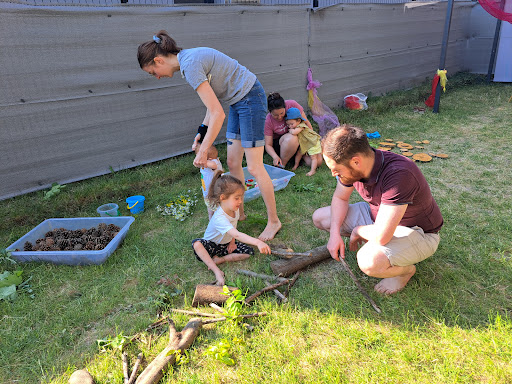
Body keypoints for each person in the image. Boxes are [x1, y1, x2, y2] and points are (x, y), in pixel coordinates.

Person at [138, 30, 281, 241]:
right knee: (233, 162)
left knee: (254, 166)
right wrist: (202, 132)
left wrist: (204, 149)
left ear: (158, 60)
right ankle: (238, 213)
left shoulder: (190, 65)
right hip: (237, 101)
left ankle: (274, 221)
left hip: (250, 98)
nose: (157, 77)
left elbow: (217, 113)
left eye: (153, 72)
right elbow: (212, 106)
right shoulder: (188, 62)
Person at [312, 125, 443, 295]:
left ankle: (406, 271)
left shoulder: (399, 173)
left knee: (369, 261)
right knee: (321, 217)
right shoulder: (356, 167)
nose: (333, 174)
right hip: (379, 218)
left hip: (419, 232)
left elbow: (382, 236)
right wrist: (334, 234)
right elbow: (340, 198)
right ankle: (382, 249)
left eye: (336, 169)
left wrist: (359, 230)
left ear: (356, 161)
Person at [192, 171, 271, 286]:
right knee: (197, 244)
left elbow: (234, 227)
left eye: (241, 197)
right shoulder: (220, 217)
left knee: (248, 252)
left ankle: (221, 260)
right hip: (211, 246)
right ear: (223, 198)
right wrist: (257, 242)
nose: (240, 201)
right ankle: (216, 270)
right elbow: (237, 234)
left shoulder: (234, 209)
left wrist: (232, 243)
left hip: (225, 245)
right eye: (237, 198)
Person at [264, 92, 314, 168]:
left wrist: (312, 140)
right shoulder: (268, 121)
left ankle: (297, 157)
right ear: (270, 112)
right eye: (275, 115)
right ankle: (282, 165)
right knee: (292, 138)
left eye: (282, 113)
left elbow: (306, 123)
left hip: (301, 139)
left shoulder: (292, 105)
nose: (280, 117)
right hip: (283, 143)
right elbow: (268, 145)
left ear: (285, 107)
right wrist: (275, 157)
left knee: (314, 162)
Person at [285, 107, 323, 176]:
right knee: (299, 154)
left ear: (299, 121)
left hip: (312, 142)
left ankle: (313, 170)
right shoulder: (296, 125)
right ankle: (295, 166)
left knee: (313, 157)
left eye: (291, 124)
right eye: (288, 125)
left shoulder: (301, 125)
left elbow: (295, 132)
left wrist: (291, 131)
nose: (290, 126)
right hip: (304, 143)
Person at [196, 144, 223, 219]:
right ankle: (211, 219)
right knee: (210, 208)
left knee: (219, 209)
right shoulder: (206, 163)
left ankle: (220, 220)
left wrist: (204, 162)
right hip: (208, 192)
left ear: (209, 159)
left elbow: (214, 165)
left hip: (216, 192)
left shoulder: (214, 162)